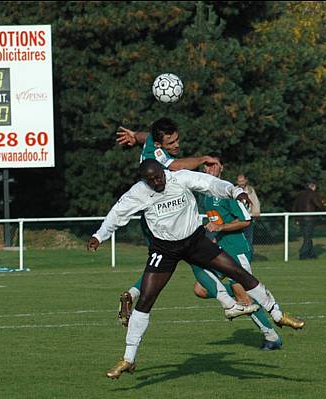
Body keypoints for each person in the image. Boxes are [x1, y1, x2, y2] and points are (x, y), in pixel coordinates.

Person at [87, 159, 305, 379]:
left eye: (159, 177)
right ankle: (128, 359)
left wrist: (235, 191)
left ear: (163, 172)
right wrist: (98, 236)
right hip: (164, 250)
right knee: (145, 300)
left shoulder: (179, 178)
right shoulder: (138, 192)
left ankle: (277, 314)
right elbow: (117, 214)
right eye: (151, 180)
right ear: (145, 180)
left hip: (195, 242)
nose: (157, 182)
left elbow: (211, 184)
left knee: (239, 274)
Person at [116, 119, 258, 322]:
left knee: (161, 263)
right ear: (159, 145)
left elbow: (145, 135)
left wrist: (134, 135)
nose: (176, 145)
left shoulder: (150, 141)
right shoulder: (158, 156)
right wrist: (203, 159)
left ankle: (132, 294)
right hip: (160, 216)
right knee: (197, 261)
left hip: (152, 215)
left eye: (177, 140)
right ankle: (230, 305)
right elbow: (178, 165)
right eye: (171, 142)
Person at [194, 157, 283, 350]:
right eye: (207, 165)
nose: (210, 168)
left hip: (237, 250)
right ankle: (245, 297)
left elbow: (245, 220)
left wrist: (221, 227)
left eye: (214, 164)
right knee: (200, 289)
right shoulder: (204, 195)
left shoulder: (227, 192)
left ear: (222, 168)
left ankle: (271, 336)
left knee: (242, 295)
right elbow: (214, 221)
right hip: (219, 250)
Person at [292, 181, 324, 260]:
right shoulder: (313, 194)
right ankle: (303, 254)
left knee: (307, 236)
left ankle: (311, 254)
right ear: (313, 186)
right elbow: (319, 205)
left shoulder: (300, 194)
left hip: (300, 218)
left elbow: (294, 207)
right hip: (309, 218)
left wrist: (296, 219)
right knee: (307, 237)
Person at [236, 174, 260, 253]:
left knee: (248, 237)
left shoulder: (250, 190)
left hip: (249, 217)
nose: (241, 183)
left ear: (246, 181)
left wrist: (256, 212)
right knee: (239, 236)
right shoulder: (234, 190)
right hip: (238, 218)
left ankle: (248, 252)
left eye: (242, 181)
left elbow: (255, 202)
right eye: (239, 181)